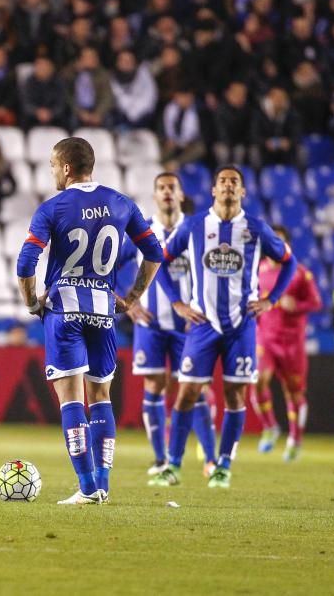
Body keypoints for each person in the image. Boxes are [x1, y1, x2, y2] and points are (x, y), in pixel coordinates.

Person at [16, 137, 164, 504]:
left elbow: (25, 264)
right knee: (101, 399)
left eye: (53, 165)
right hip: (103, 312)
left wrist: (33, 303)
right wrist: (131, 297)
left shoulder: (53, 207)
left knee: (71, 402)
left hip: (65, 311)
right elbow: (155, 253)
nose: (52, 171)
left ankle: (85, 487)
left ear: (66, 167)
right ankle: (103, 485)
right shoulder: (121, 203)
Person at [150, 166, 297, 489]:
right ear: (213, 190)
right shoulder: (194, 226)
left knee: (235, 395)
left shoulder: (256, 229)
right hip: (202, 324)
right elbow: (159, 258)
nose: (229, 186)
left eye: (235, 182)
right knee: (187, 393)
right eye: (223, 182)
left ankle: (224, 465)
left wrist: (271, 299)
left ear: (243, 192)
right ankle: (173, 465)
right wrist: (177, 301)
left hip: (241, 326)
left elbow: (289, 261)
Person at [120, 173, 218, 478]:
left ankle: (210, 459)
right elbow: (110, 263)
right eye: (160, 187)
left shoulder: (197, 229)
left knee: (195, 389)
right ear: (154, 195)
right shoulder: (141, 230)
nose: (165, 192)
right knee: (154, 385)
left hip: (188, 325)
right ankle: (161, 459)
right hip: (150, 322)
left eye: (171, 188)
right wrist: (129, 302)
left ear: (180, 194)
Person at [251, 225, 322, 462]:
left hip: (292, 343)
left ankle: (295, 439)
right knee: (258, 381)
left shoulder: (299, 273)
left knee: (293, 393)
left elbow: (316, 302)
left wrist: (297, 305)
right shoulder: (258, 271)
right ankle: (270, 427)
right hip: (266, 339)